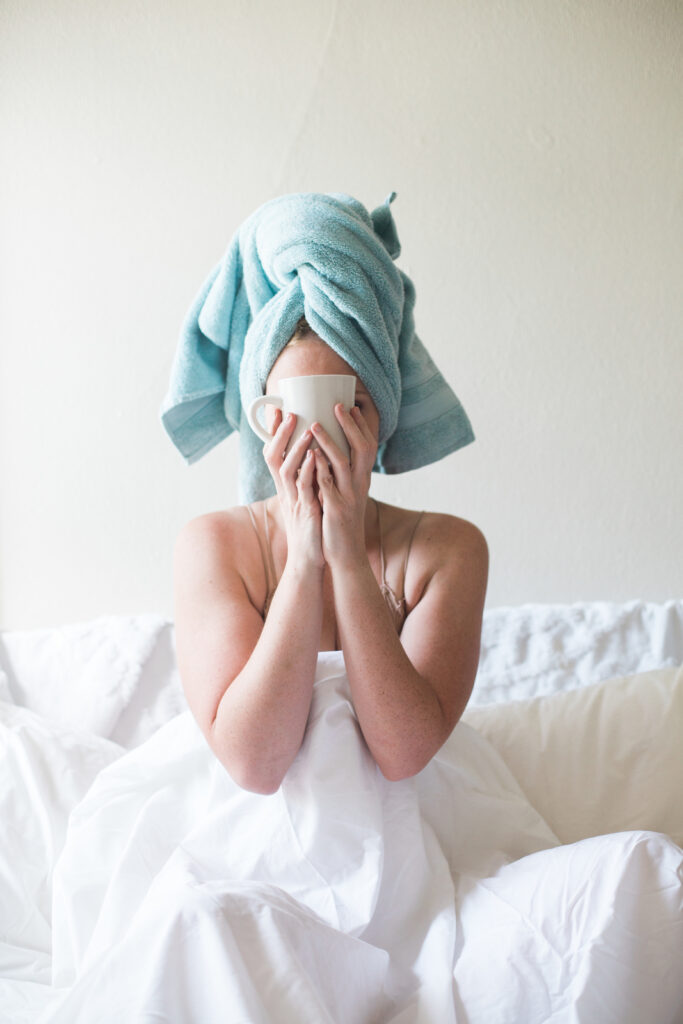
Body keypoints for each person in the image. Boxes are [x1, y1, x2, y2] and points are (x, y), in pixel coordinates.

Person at [173, 316, 489, 796]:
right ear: (266, 422)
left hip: (413, 814)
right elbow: (255, 766)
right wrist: (303, 558)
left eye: (349, 407)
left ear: (381, 418)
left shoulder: (449, 548)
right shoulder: (212, 543)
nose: (317, 432)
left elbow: (403, 757)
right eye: (294, 409)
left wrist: (346, 555)